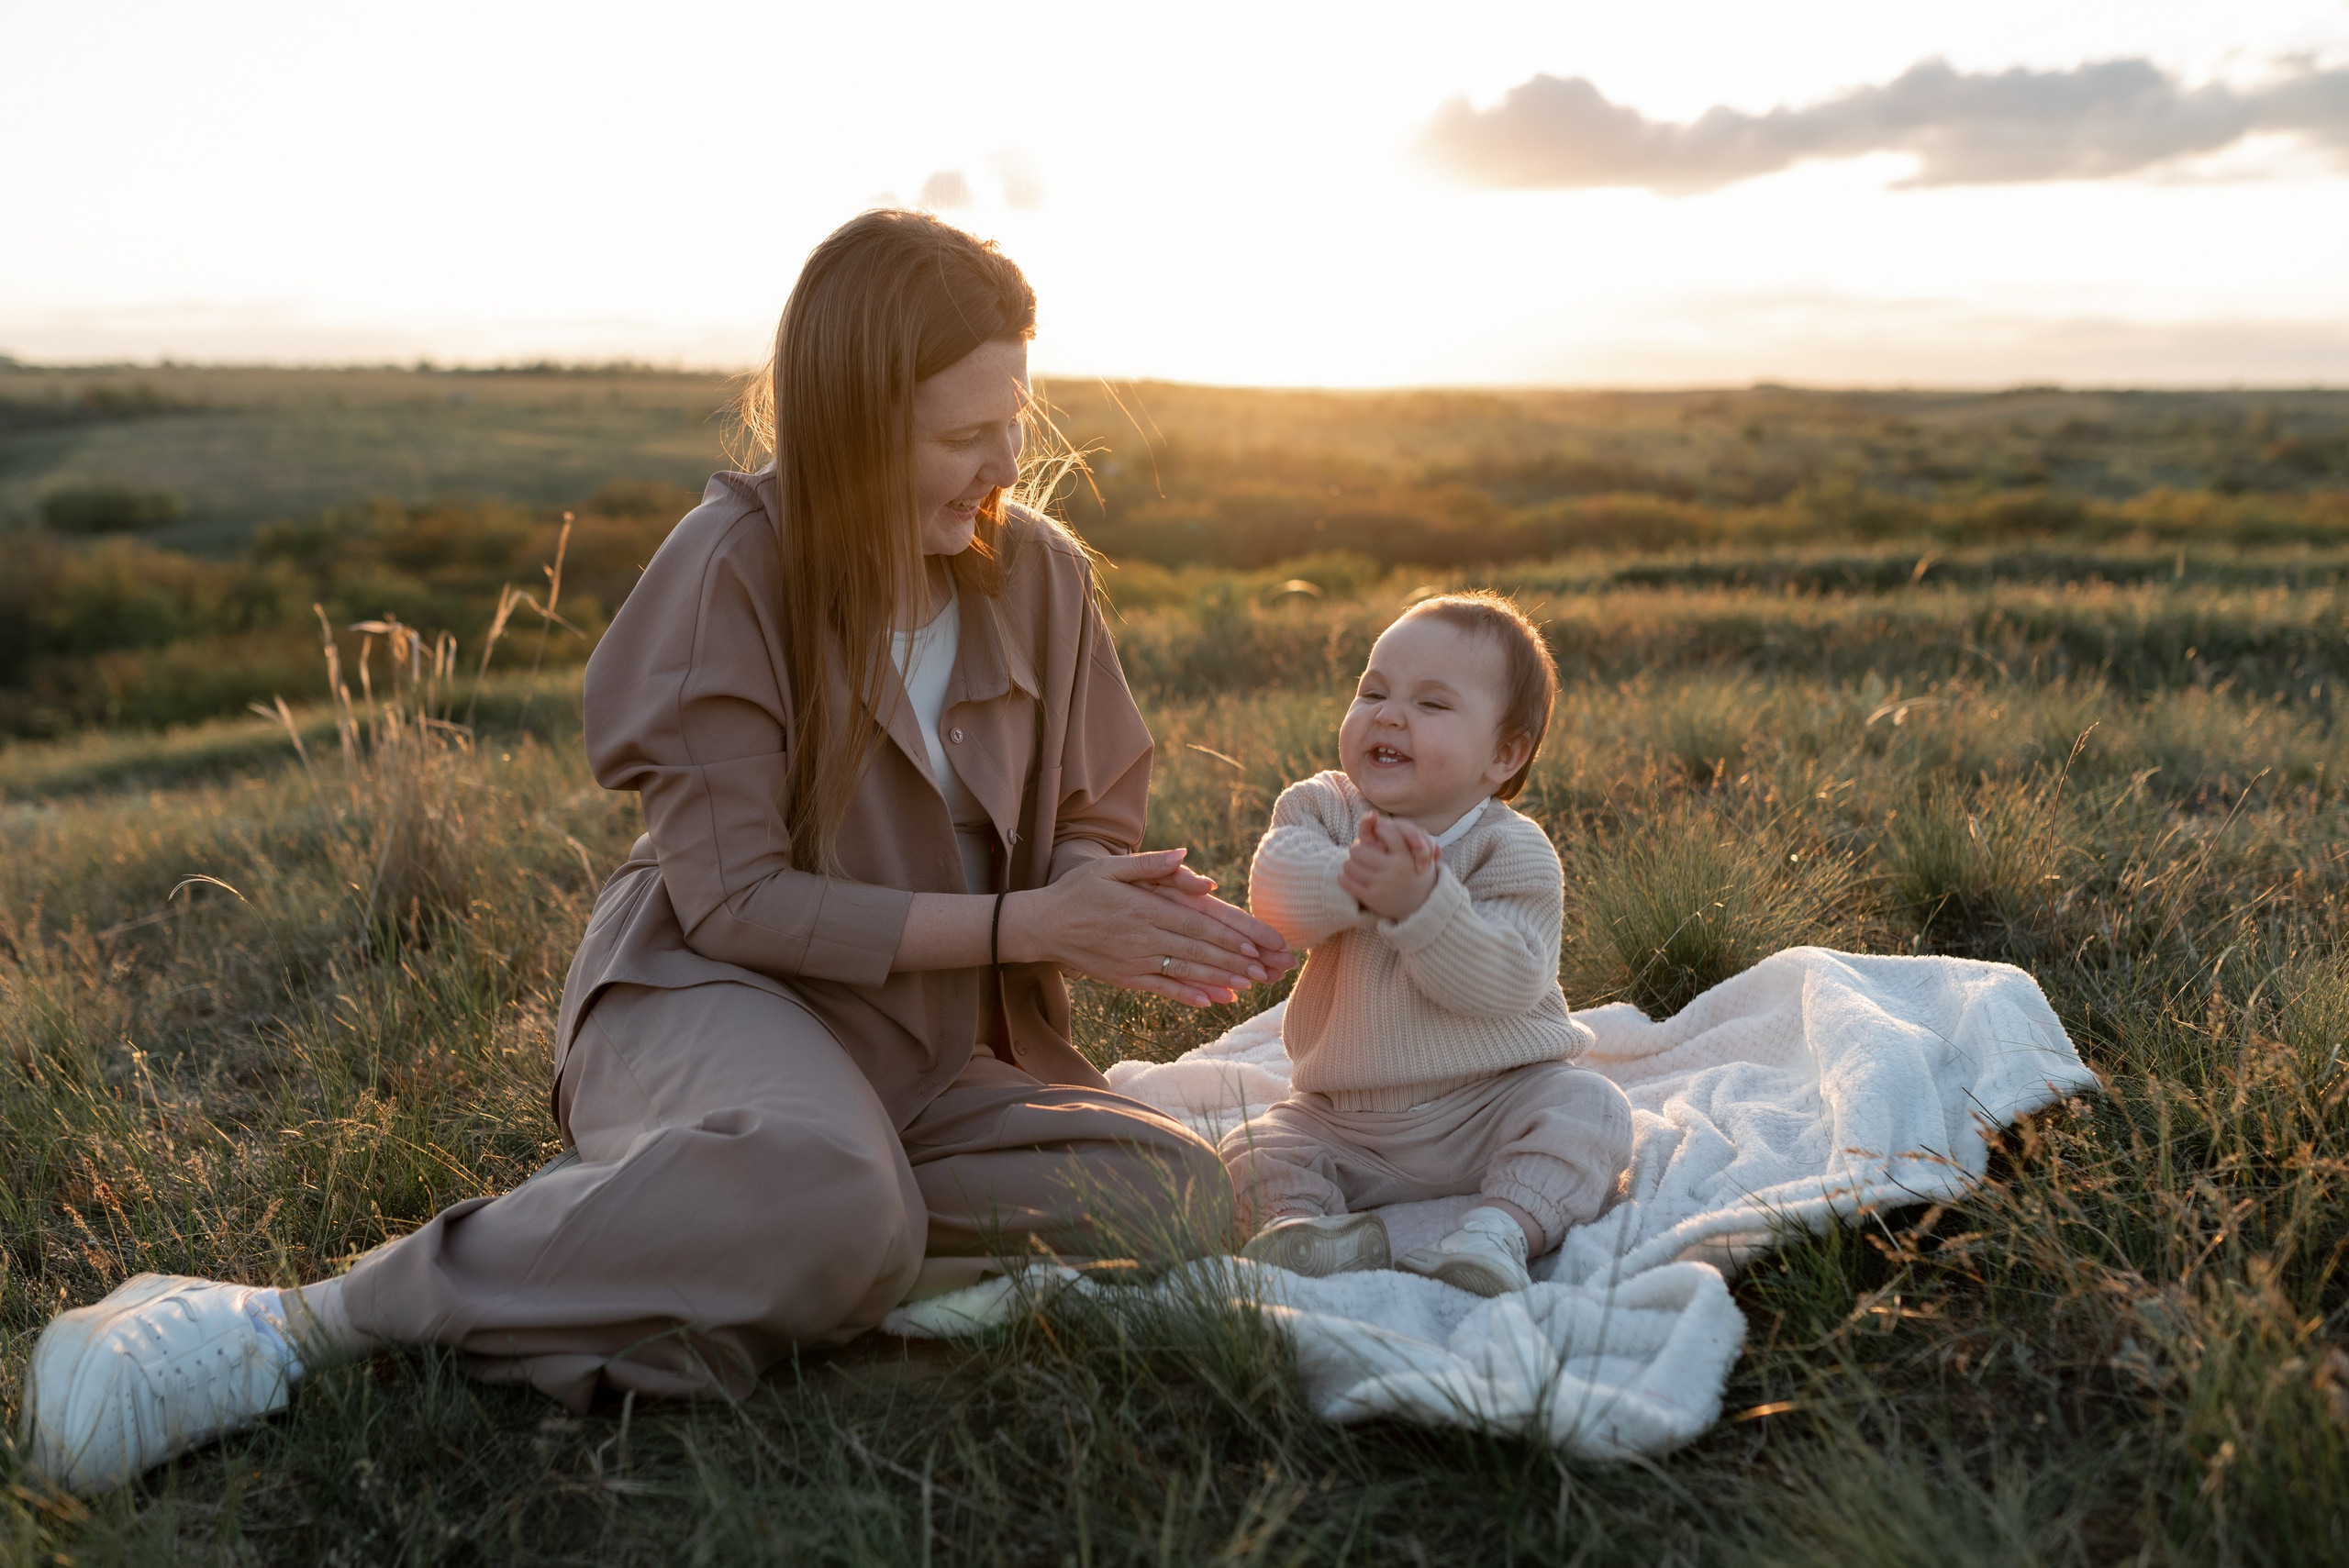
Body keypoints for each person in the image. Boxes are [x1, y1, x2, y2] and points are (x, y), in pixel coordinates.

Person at [19, 210, 1290, 1494]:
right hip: (709, 989)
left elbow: (1087, 808)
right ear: (852, 422)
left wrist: (1090, 887)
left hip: (930, 1039)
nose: (1004, 462)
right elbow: (736, 900)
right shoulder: (731, 567)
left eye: (1015, 418)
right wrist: (1027, 929)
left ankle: (744, 1207)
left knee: (1171, 1197)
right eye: (965, 435)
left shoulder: (1042, 578)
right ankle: (297, 1319)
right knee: (846, 1200)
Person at [1221, 592, 1632, 1296]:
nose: (1388, 713)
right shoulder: (1324, 806)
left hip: (1491, 1103)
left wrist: (1424, 906)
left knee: (1592, 1110)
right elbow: (1276, 894)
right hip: (1343, 1118)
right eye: (1372, 690)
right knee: (1252, 1147)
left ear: (1504, 752)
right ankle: (1304, 1231)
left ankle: (1501, 1227)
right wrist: (1360, 884)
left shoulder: (1512, 849)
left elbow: (1508, 980)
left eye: (1432, 704)